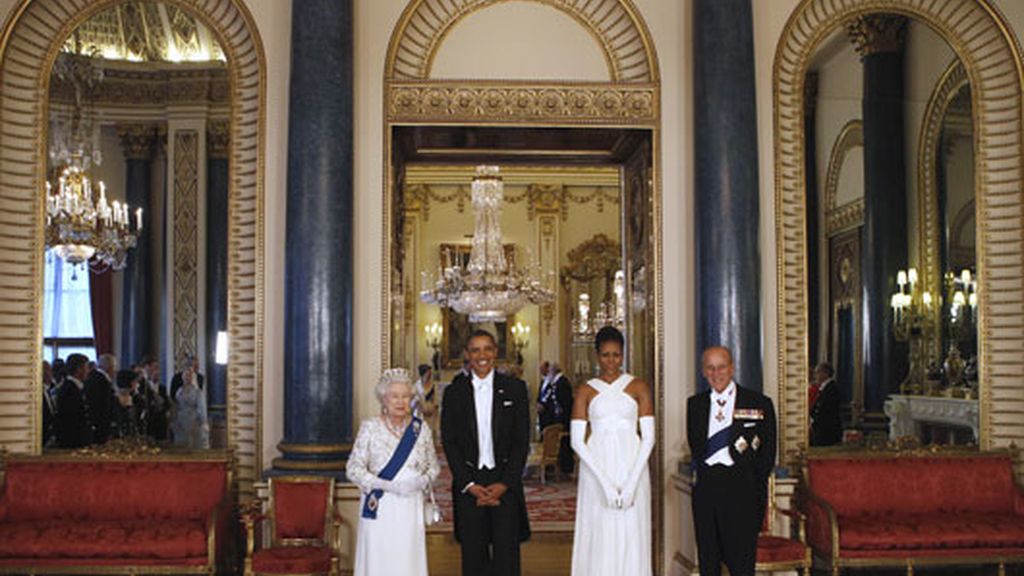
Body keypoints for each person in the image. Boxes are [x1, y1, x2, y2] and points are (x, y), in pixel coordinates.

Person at [441, 329, 531, 576]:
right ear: (467, 355)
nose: (482, 355)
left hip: (505, 482)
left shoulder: (515, 389)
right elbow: (449, 442)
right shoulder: (453, 393)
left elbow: (521, 442)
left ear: (495, 353)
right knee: (473, 557)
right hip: (469, 483)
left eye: (487, 349)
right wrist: (468, 483)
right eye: (475, 350)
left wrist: (505, 483)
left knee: (507, 557)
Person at [570, 326, 654, 576]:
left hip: (633, 465)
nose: (611, 361)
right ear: (597, 356)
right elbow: (577, 441)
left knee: (632, 529)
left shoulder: (638, 386)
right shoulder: (586, 390)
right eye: (606, 355)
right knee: (600, 528)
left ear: (623, 355)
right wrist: (605, 483)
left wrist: (630, 484)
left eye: (616, 355)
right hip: (597, 468)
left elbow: (648, 438)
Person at [687, 346, 776, 576]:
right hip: (707, 490)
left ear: (732, 368)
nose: (716, 373)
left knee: (742, 564)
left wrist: (753, 488)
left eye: (722, 367)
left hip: (742, 491)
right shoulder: (694, 405)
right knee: (709, 562)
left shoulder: (759, 403)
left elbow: (767, 455)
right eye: (710, 367)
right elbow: (697, 448)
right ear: (703, 371)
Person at [347, 368, 440, 576]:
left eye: (406, 396)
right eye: (395, 396)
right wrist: (386, 485)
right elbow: (353, 469)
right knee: (380, 557)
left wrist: (419, 482)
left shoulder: (420, 428)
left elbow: (433, 467)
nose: (401, 402)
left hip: (410, 504)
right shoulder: (370, 427)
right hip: (380, 504)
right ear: (383, 399)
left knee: (407, 557)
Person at [538, 362, 574, 474]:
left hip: (562, 419)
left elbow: (564, 402)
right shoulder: (555, 382)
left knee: (563, 444)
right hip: (554, 418)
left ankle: (565, 468)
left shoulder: (562, 382)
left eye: (549, 371)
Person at [55, 353, 94, 448]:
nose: (88, 371)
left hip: (80, 439)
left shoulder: (76, 387)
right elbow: (71, 418)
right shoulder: (69, 389)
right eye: (86, 368)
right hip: (73, 441)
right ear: (79, 369)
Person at [171, 360, 209, 449]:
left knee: (193, 445)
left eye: (189, 375)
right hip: (181, 421)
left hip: (193, 421)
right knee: (181, 446)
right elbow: (176, 404)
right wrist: (173, 419)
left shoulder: (197, 392)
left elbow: (202, 408)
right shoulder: (179, 391)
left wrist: (204, 422)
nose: (187, 377)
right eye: (185, 375)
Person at [85, 354, 117, 445]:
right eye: (114, 367)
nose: (115, 371)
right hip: (101, 426)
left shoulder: (95, 377)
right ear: (108, 367)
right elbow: (103, 405)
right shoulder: (101, 380)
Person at [810, 362, 842, 446]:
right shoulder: (826, 387)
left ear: (825, 373)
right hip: (822, 430)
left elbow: (825, 410)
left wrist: (813, 421)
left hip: (827, 431)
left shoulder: (831, 388)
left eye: (817, 372)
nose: (815, 376)